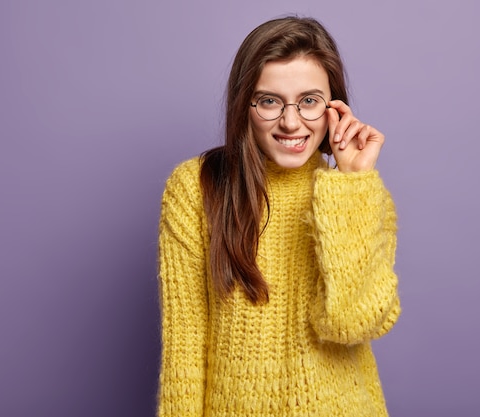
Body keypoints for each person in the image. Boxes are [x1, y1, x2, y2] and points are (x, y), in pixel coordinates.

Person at [156, 16, 401, 416]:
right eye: (269, 101)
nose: (291, 121)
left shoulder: (359, 194)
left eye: (309, 101)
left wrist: (352, 185)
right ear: (244, 105)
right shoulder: (196, 188)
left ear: (334, 108)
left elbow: (352, 324)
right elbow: (184, 352)